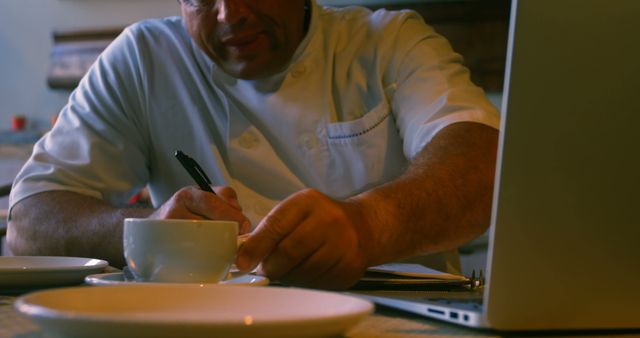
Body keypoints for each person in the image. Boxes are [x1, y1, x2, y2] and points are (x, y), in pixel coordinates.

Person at [7, 0, 499, 290]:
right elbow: (28, 222)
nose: (229, 14)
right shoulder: (144, 59)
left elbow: (485, 166)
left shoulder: (388, 42)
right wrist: (145, 231)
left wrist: (371, 223)